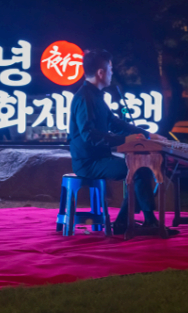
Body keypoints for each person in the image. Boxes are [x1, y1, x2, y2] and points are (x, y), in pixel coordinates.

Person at [68, 49, 168, 235]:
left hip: (100, 157)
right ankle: (147, 222)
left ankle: (125, 222)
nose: (112, 73)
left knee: (139, 167)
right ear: (101, 72)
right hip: (88, 162)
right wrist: (125, 140)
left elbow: (115, 123)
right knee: (138, 169)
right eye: (110, 69)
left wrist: (148, 135)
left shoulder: (96, 95)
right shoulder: (84, 98)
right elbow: (89, 135)